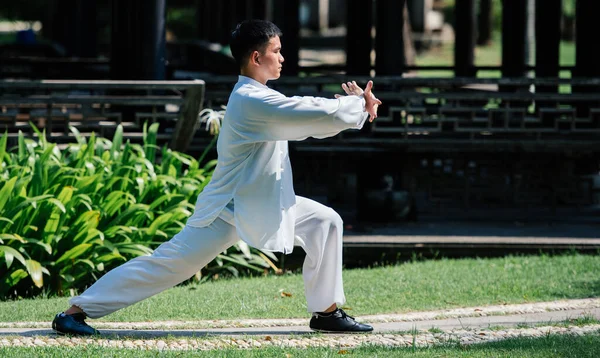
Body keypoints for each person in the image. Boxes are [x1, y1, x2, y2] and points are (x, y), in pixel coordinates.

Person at [52, 19, 382, 336]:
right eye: (277, 51)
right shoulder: (250, 99)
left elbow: (302, 109)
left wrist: (352, 109)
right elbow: (302, 112)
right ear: (256, 57)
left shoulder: (260, 96)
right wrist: (354, 106)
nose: (282, 58)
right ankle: (75, 313)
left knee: (325, 222)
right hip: (227, 208)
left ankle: (326, 313)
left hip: (260, 202)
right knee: (168, 264)